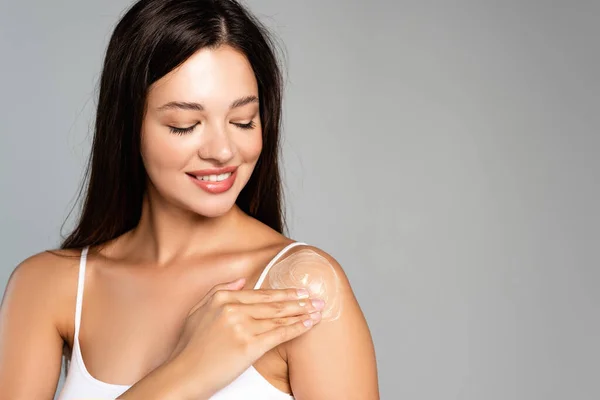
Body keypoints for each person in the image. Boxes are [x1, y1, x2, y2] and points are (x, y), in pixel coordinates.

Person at [0, 0, 379, 398]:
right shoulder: (47, 287)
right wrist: (189, 370)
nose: (222, 151)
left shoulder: (300, 290)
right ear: (129, 126)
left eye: (243, 121)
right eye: (185, 126)